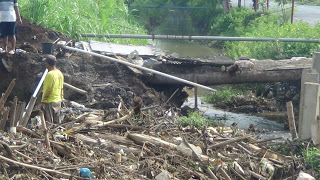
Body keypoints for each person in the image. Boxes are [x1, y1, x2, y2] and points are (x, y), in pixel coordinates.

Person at [41, 55, 64, 124]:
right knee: (56, 122)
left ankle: (49, 134)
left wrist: (43, 101)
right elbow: (61, 87)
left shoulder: (50, 75)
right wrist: (61, 98)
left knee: (49, 122)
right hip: (58, 100)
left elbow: (48, 89)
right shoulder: (59, 73)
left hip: (50, 101)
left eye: (46, 63)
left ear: (48, 64)